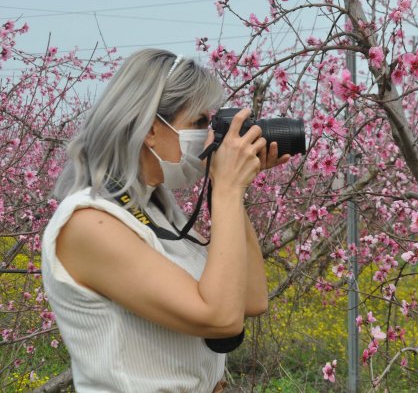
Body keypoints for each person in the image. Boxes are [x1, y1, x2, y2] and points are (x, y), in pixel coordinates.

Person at [41, 49, 290, 392]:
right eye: (199, 123)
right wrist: (228, 190)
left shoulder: (159, 211)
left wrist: (226, 186)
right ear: (151, 129)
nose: (208, 138)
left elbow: (251, 299)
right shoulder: (88, 222)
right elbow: (220, 317)